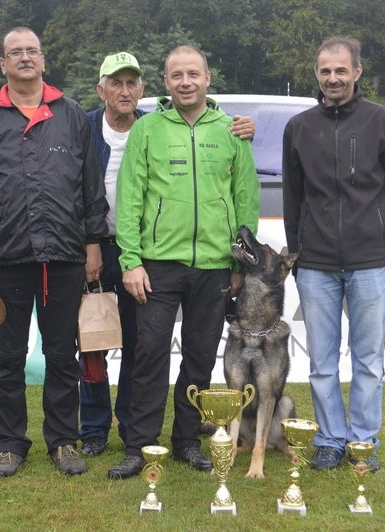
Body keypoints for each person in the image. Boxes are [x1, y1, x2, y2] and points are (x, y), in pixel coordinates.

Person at [0, 26, 108, 480]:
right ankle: (10, 444)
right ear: (2, 64)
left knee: (61, 355)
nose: (24, 58)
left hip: (66, 259)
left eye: (31, 51)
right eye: (14, 53)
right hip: (5, 259)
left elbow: (90, 186)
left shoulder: (71, 114)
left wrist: (93, 242)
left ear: (43, 59)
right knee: (7, 356)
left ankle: (63, 441)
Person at [79, 51, 256, 457]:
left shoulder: (232, 130)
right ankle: (139, 445)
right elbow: (130, 199)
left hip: (214, 267)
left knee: (198, 360)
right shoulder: (149, 129)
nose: (186, 81)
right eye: (177, 75)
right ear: (165, 81)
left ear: (208, 78)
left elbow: (245, 199)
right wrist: (132, 261)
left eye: (193, 74)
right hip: (158, 265)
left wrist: (238, 262)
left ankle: (185, 441)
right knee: (149, 356)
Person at [282, 37, 385, 472]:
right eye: (325, 71)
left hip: (369, 263)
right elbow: (293, 197)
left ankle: (362, 442)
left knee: (369, 361)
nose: (333, 78)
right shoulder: (299, 127)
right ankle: (330, 439)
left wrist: (378, 239)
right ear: (316, 75)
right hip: (315, 265)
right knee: (321, 363)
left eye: (341, 70)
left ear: (357, 71)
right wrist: (297, 253)